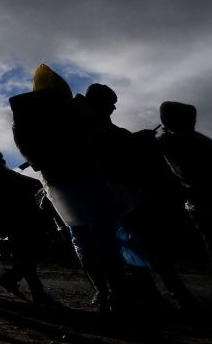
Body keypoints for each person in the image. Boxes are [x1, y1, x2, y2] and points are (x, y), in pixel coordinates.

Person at [10, 65, 128, 313]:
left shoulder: (24, 114)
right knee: (105, 235)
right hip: (89, 177)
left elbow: (28, 151)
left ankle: (103, 292)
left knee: (81, 238)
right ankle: (118, 293)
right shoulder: (76, 109)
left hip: (57, 185)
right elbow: (99, 138)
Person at [84, 85, 198, 311]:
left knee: (136, 248)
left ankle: (153, 295)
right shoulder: (88, 127)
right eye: (110, 102)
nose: (114, 107)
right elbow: (107, 152)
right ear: (99, 102)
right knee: (141, 248)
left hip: (119, 198)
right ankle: (167, 297)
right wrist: (137, 140)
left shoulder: (98, 126)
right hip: (114, 199)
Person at [157, 101, 212, 312]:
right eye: (190, 118)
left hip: (201, 205)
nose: (194, 122)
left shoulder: (168, 141)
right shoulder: (190, 140)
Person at [0, 148, 56, 305]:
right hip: (19, 220)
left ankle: (36, 292)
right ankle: (13, 280)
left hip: (3, 224)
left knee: (26, 256)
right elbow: (32, 184)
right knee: (35, 253)